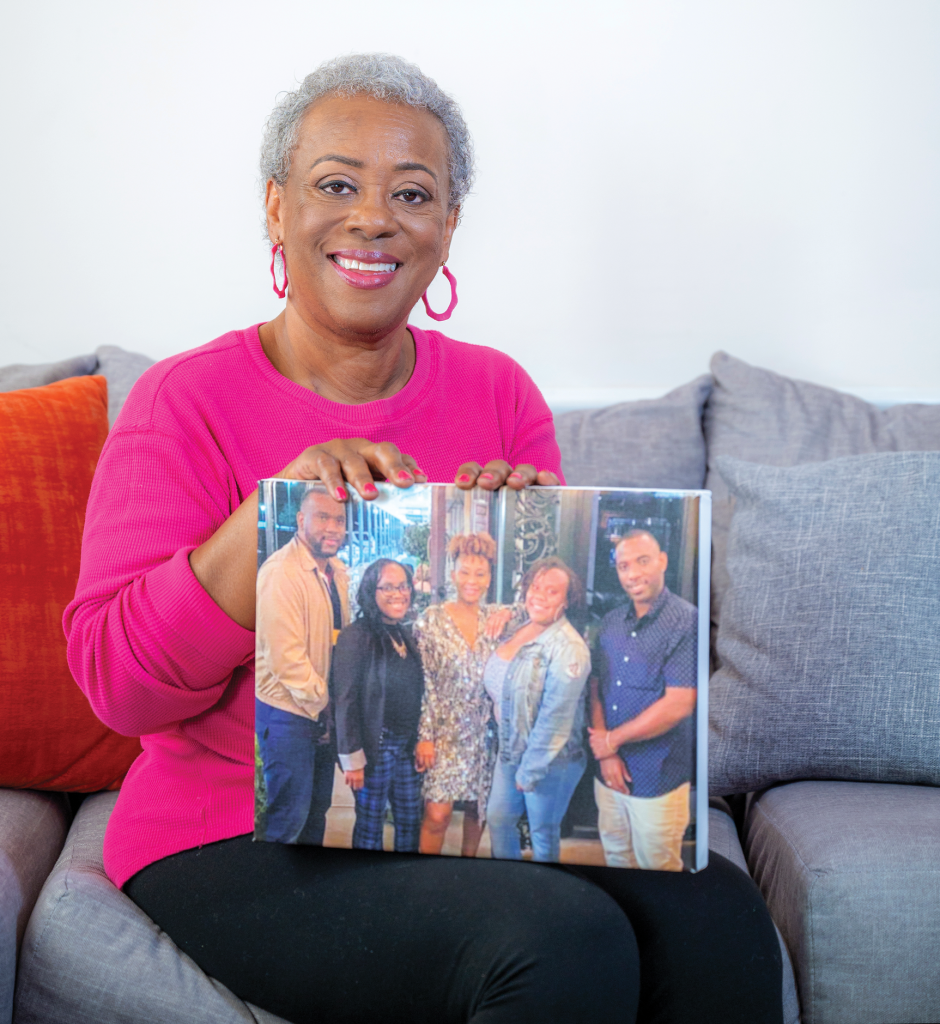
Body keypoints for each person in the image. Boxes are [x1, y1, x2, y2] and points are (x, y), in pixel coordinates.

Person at [64, 53, 783, 1024]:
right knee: (559, 943)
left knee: (720, 918)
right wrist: (267, 524)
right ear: (277, 209)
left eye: (412, 193)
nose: (372, 217)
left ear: (446, 228)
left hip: (448, 810)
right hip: (232, 832)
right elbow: (120, 685)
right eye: (335, 185)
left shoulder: (498, 393)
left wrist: (534, 554)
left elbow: (533, 676)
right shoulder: (180, 403)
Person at [588, 530, 698, 872]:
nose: (632, 573)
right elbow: (596, 687)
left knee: (659, 868)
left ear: (663, 561)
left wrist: (610, 742)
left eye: (642, 561)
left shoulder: (688, 621)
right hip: (609, 774)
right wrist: (606, 754)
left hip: (659, 777)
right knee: (616, 859)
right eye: (623, 566)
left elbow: (680, 703)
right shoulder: (610, 623)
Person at [255, 487, 350, 844]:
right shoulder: (282, 573)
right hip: (289, 713)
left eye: (338, 519)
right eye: (323, 517)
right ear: (301, 520)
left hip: (321, 707)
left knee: (316, 810)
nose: (333, 527)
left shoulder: (335, 572)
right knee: (288, 819)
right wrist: (327, 705)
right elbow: (286, 660)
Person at [414, 532, 514, 856]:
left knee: (477, 809)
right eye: (465, 572)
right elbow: (424, 681)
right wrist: (425, 735)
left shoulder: (495, 617)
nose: (472, 580)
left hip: (486, 731)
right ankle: (424, 880)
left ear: (489, 578)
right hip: (445, 729)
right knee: (437, 813)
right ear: (453, 574)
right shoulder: (431, 620)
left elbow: (539, 607)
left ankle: (466, 865)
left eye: (480, 573)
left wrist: (510, 611)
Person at [485, 557, 590, 863]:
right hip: (510, 747)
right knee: (499, 819)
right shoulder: (520, 624)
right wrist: (508, 610)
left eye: (552, 591)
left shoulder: (568, 647)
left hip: (550, 759)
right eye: (535, 587)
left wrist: (529, 770)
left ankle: (543, 896)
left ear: (567, 600)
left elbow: (555, 718)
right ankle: (511, 885)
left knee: (542, 833)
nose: (539, 596)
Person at [332, 559, 424, 852]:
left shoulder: (403, 632)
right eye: (387, 587)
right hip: (375, 748)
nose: (398, 593)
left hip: (405, 747)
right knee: (371, 826)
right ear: (372, 591)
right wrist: (352, 759)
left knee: (411, 820)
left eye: (403, 586)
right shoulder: (356, 636)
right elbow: (344, 699)